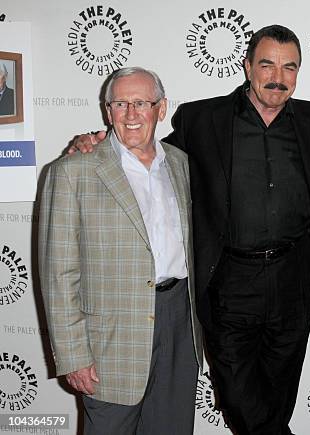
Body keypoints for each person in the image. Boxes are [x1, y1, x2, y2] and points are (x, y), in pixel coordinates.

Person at [69, 26, 310, 434]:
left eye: (289, 67)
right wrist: (99, 142)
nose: (277, 76)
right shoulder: (203, 119)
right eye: (267, 64)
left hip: (294, 282)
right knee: (237, 397)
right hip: (230, 284)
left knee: (280, 397)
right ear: (248, 67)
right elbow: (155, 157)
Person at [39, 67, 203, 434]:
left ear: (161, 109)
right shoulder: (72, 172)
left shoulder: (181, 163)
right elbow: (58, 273)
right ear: (107, 110)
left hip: (179, 323)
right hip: (110, 338)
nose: (131, 114)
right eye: (120, 103)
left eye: (141, 103)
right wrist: (73, 356)